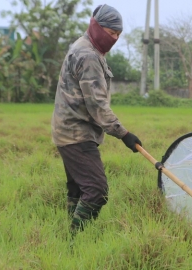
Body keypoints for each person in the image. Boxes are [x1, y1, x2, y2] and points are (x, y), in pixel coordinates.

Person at [51, 4, 142, 235]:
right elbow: (98, 106)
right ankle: (75, 238)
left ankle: (69, 240)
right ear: (96, 26)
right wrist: (124, 135)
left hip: (69, 129)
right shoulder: (88, 55)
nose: (114, 39)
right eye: (111, 33)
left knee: (78, 189)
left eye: (118, 35)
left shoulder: (85, 46)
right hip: (76, 134)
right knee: (96, 190)